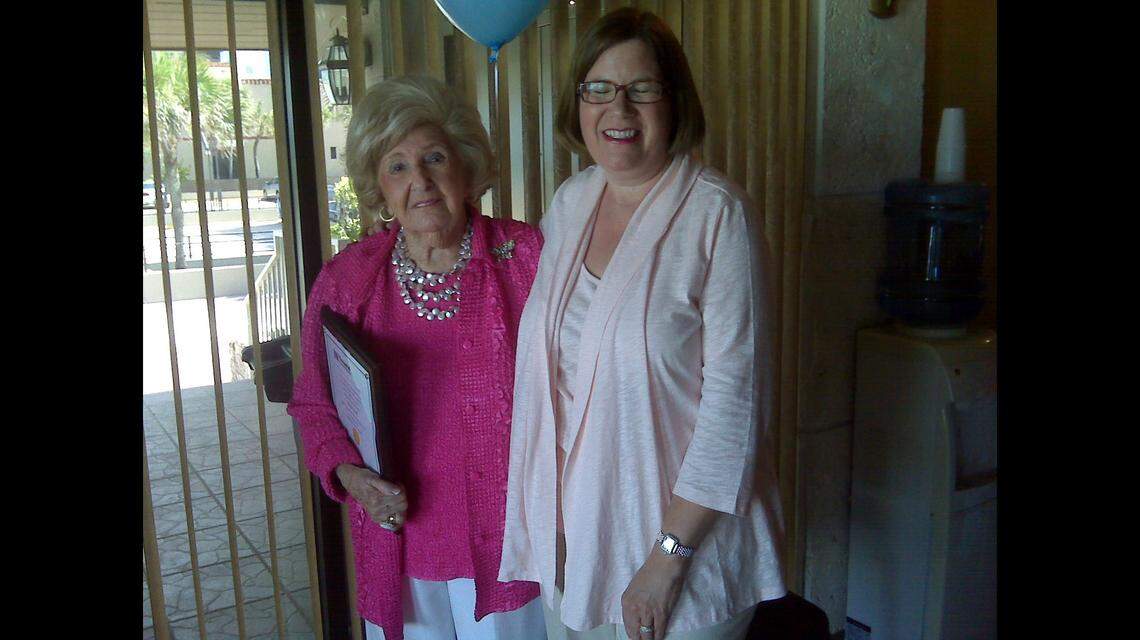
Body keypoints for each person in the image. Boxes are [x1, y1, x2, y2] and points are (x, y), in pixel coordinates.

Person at [497, 8, 787, 640]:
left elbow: (736, 409)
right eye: (598, 88)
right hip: (577, 540)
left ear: (674, 101)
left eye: (642, 89)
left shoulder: (718, 215)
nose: (618, 108)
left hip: (684, 558)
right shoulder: (572, 202)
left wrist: (667, 559)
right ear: (577, 103)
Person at [287, 75, 545, 640]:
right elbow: (313, 405)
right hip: (398, 543)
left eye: (435, 158)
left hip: (511, 548)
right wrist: (351, 476)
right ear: (380, 188)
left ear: (466, 167)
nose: (420, 181)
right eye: (398, 166)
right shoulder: (347, 281)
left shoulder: (525, 257)